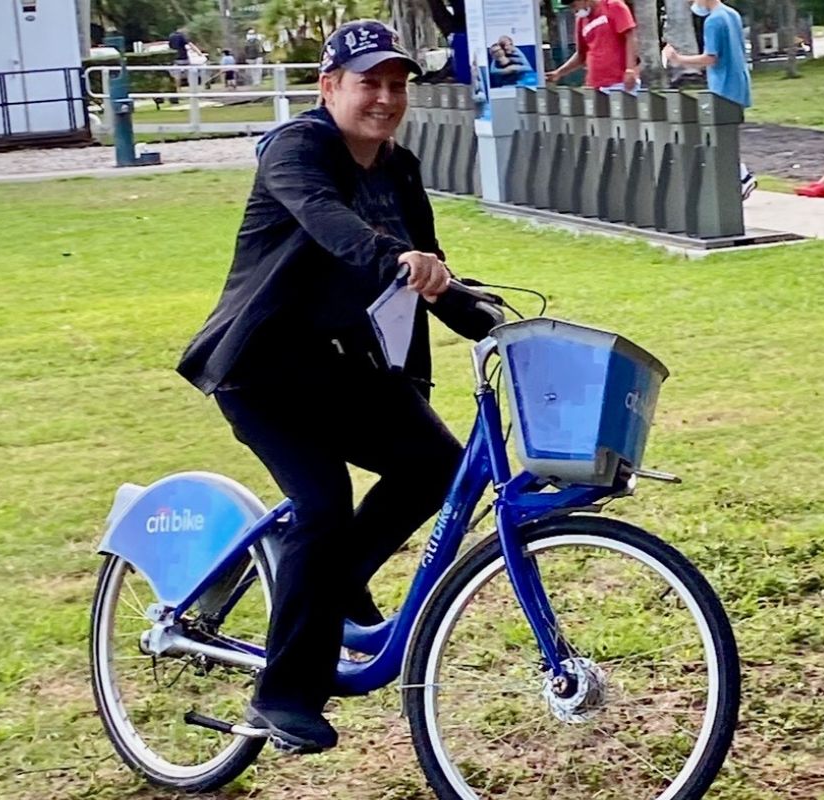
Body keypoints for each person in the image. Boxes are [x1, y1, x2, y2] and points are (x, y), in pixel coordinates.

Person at [176, 19, 502, 754]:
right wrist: (398, 257)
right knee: (323, 505)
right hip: (263, 371)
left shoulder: (399, 167)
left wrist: (493, 324)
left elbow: (432, 275)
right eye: (368, 82)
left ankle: (324, 586)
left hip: (346, 367)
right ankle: (281, 695)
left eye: (396, 84)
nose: (384, 97)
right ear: (330, 88)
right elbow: (329, 224)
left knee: (436, 469)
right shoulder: (296, 148)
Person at [662, 0, 757, 201]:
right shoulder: (732, 14)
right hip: (738, 82)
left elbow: (710, 58)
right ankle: (737, 178)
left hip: (723, 86)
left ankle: (743, 177)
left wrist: (678, 59)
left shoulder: (713, 21)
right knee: (724, 135)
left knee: (717, 137)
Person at [545, 0, 639, 93]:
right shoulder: (581, 21)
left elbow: (630, 38)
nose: (574, 11)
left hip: (620, 82)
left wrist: (630, 69)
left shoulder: (613, 6)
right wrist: (559, 73)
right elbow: (581, 55)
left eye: (574, 6)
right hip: (595, 85)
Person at [167, 27, 191, 102]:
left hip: (175, 58)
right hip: (183, 57)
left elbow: (170, 46)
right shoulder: (181, 36)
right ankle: (191, 90)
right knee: (190, 73)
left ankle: (178, 90)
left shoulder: (171, 36)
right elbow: (188, 44)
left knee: (177, 76)